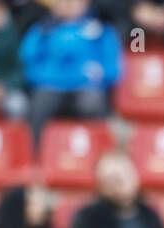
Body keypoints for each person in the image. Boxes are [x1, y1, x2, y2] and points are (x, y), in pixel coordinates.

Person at [18, 0, 121, 143]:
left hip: (86, 88)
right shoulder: (42, 30)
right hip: (50, 87)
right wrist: (49, 77)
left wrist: (99, 75)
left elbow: (113, 68)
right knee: (39, 105)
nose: (68, 5)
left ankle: (97, 154)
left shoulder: (100, 30)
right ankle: (35, 157)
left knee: (92, 105)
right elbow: (27, 60)